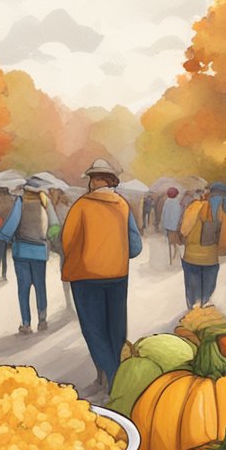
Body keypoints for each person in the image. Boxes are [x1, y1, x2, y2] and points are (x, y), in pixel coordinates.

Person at [63, 159, 142, 391]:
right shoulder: (123, 205)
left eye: (91, 179)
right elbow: (135, 246)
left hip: (86, 276)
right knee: (116, 330)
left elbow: (68, 241)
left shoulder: (81, 206)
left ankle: (111, 379)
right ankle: (108, 378)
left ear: (96, 180)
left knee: (94, 330)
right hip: (117, 275)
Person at [0, 176, 59, 334]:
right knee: (40, 286)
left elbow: (12, 223)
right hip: (40, 251)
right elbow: (54, 225)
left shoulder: (20, 202)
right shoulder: (46, 203)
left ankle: (26, 323)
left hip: (22, 251)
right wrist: (49, 239)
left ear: (26, 190)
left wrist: (3, 237)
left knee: (23, 288)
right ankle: (42, 319)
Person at [180, 183, 226, 309]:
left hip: (191, 258)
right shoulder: (224, 213)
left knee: (193, 296)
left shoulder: (195, 206)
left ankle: (192, 318)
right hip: (211, 260)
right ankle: (204, 316)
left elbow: (184, 230)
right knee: (206, 296)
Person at [161, 187, 183, 266]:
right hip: (176, 226)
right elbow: (180, 214)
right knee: (176, 242)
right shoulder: (178, 202)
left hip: (169, 226)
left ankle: (173, 259)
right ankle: (176, 257)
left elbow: (164, 215)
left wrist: (164, 226)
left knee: (171, 243)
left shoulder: (167, 202)